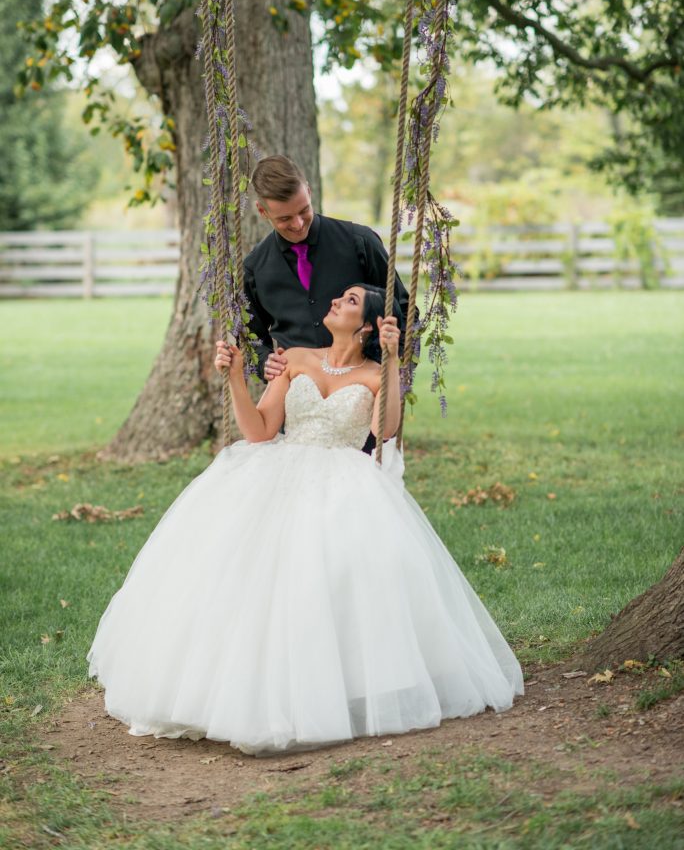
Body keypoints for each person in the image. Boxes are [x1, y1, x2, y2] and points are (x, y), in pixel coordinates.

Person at [87, 284, 523, 756]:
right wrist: (235, 376)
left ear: (369, 325)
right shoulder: (295, 357)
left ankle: (335, 688)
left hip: (343, 481)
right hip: (277, 471)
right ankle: (234, 687)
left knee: (328, 576)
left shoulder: (378, 375)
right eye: (342, 296)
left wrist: (395, 361)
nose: (337, 301)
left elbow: (385, 431)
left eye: (351, 301)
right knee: (245, 576)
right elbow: (258, 431)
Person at [244, 154, 410, 383]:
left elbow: (403, 308)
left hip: (363, 391)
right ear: (263, 212)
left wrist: (391, 369)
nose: (298, 224)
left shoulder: (360, 242)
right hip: (296, 396)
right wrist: (263, 361)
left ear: (309, 193)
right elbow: (251, 339)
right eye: (285, 218)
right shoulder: (254, 267)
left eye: (304, 210)